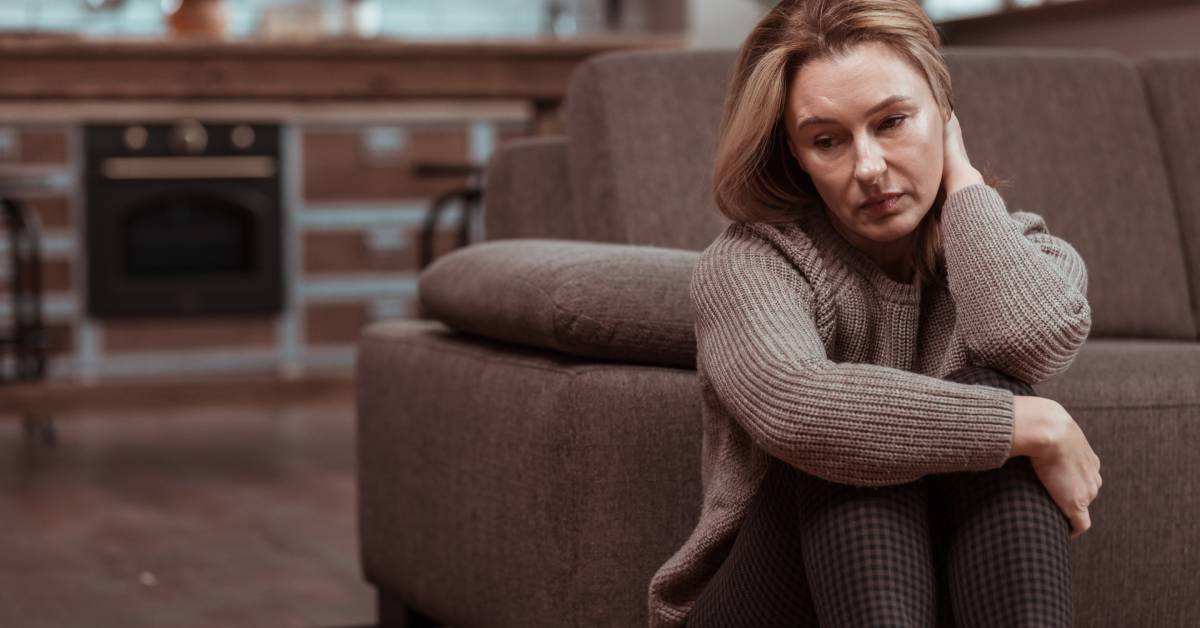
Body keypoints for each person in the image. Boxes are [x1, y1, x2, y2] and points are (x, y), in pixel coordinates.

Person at [646, 0, 1103, 626]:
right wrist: (1036, 426)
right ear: (795, 155)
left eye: (892, 122)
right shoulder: (751, 263)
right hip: (764, 606)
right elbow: (799, 408)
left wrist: (963, 182)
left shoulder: (1021, 247)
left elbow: (1033, 341)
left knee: (992, 393)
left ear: (942, 113)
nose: (867, 168)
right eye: (827, 140)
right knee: (850, 448)